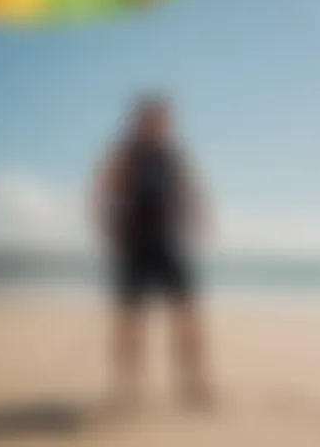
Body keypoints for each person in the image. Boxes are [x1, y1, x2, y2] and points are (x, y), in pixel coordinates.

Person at [94, 95, 212, 408]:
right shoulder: (126, 154)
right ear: (140, 120)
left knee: (187, 316)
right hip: (134, 247)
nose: (161, 124)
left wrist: (198, 223)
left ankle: (194, 385)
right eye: (155, 118)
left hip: (169, 245)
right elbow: (103, 192)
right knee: (130, 321)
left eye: (165, 119)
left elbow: (191, 191)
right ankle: (126, 389)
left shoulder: (173, 155)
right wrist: (109, 234)